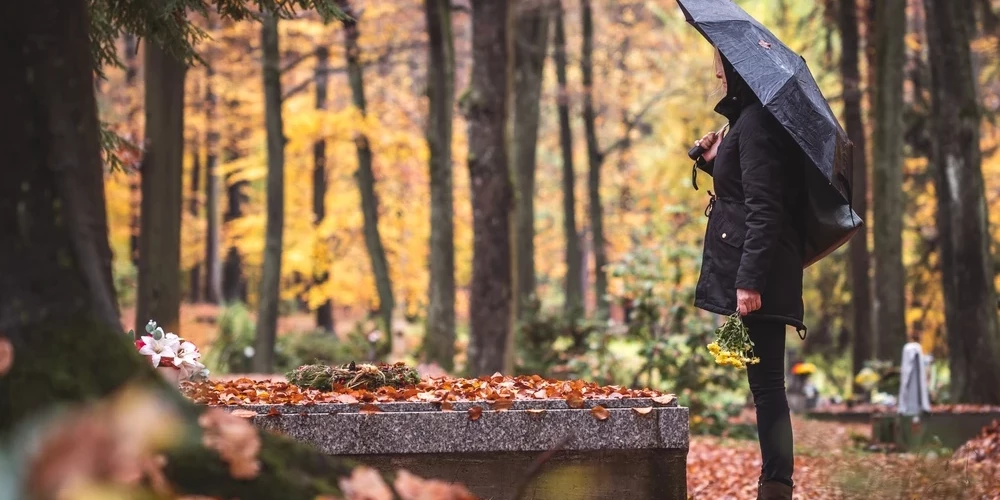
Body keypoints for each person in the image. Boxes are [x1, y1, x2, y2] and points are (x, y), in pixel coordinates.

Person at [692, 48, 808, 500]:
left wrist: (749, 281)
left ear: (739, 72)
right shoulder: (745, 123)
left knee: (767, 387)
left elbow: (765, 208)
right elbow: (740, 189)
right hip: (758, 266)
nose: (718, 77)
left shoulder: (757, 124)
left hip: (762, 271)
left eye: (723, 69)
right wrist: (712, 158)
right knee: (765, 385)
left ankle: (777, 485)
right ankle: (775, 483)